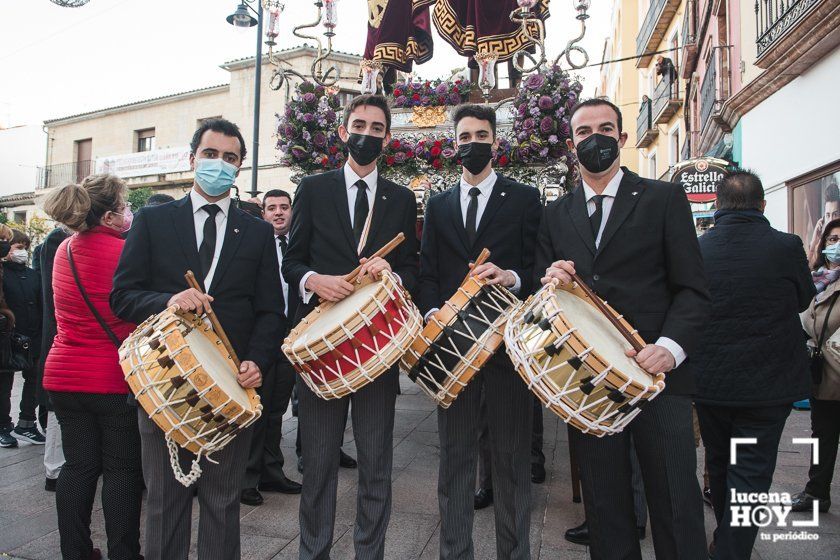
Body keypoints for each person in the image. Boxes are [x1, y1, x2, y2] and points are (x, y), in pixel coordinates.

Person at [536, 98, 710, 560]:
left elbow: (693, 289)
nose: (595, 139)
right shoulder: (555, 214)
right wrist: (552, 280)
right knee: (605, 508)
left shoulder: (664, 199)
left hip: (659, 378)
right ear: (572, 145)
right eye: (583, 132)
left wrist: (670, 349)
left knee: (676, 503)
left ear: (623, 137)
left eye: (606, 129)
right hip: (590, 385)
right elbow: (543, 293)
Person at [111, 118, 285, 560]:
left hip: (230, 388)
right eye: (210, 155)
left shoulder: (259, 231)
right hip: (165, 384)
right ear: (192, 160)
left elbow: (270, 310)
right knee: (165, 503)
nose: (219, 165)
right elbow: (122, 296)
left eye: (230, 158)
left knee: (223, 503)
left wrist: (258, 361)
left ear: (240, 167)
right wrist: (168, 299)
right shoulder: (152, 220)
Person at [283, 93, 418, 560]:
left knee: (377, 465)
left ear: (387, 138)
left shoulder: (401, 198)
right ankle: (313, 552)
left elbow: (414, 269)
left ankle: (370, 553)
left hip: (377, 349)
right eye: (359, 124)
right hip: (322, 351)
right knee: (318, 465)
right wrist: (313, 280)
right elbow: (292, 260)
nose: (367, 134)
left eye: (377, 128)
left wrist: (392, 274)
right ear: (344, 132)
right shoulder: (312, 189)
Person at [418, 103, 540, 559]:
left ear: (495, 142)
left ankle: (515, 553)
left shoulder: (525, 200)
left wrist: (511, 277)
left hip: (508, 348)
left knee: (511, 462)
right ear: (455, 144)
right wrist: (432, 312)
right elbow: (427, 271)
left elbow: (538, 266)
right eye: (465, 136)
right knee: (455, 461)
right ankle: (456, 552)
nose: (473, 144)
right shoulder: (438, 204)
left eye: (481, 135)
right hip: (451, 351)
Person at [694, 169, 815, 558]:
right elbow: (802, 299)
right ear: (762, 205)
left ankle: (726, 541)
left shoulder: (699, 248)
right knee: (752, 471)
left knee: (721, 461)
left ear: (716, 205)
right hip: (768, 385)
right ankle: (731, 549)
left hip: (711, 383)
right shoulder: (786, 245)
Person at [42, 175, 143, 560]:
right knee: (120, 471)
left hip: (64, 375)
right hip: (110, 379)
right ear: (108, 216)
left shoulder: (63, 250)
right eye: (123, 206)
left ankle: (76, 552)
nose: (127, 213)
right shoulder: (123, 254)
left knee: (78, 467)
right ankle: (124, 553)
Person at [240, 189, 302, 506]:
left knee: (277, 409)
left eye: (284, 207)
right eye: (271, 208)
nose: (278, 213)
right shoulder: (256, 245)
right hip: (262, 338)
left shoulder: (299, 246)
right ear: (263, 213)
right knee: (256, 409)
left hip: (291, 338)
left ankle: (271, 471)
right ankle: (246, 478)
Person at [792, 217, 840, 514]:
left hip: (834, 364)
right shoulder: (819, 280)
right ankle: (816, 492)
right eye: (832, 240)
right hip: (825, 371)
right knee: (823, 433)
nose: (836, 245)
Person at [0, 229, 45, 447]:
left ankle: (26, 423)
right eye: (18, 247)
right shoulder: (1, 274)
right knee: (4, 384)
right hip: (7, 338)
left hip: (33, 336)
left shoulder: (34, 275)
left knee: (34, 379)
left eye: (25, 248)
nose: (22, 252)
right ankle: (3, 426)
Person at [36, 225, 71, 489]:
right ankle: (54, 470)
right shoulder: (59, 241)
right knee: (59, 414)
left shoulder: (57, 241)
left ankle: (56, 469)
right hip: (64, 343)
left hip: (60, 342)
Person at [807, 184, 840, 267]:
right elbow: (805, 273)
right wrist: (814, 242)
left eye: (835, 214)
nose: (831, 219)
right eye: (828, 215)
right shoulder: (820, 245)